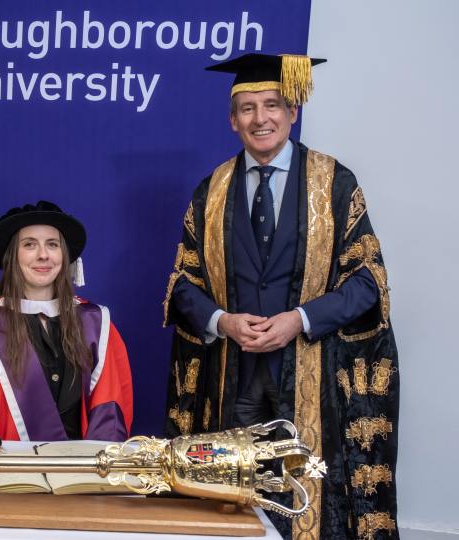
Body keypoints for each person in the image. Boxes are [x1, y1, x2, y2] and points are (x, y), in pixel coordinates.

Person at [162, 53, 399, 539]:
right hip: (233, 374)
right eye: (247, 108)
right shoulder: (211, 191)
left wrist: (302, 318)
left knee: (307, 490)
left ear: (293, 112)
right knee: (237, 494)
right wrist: (221, 320)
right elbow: (182, 285)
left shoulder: (335, 183)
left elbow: (368, 281)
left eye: (271, 105)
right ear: (232, 120)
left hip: (312, 374)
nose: (260, 118)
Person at [0, 201, 133, 453]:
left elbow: (109, 410)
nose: (43, 255)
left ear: (64, 255)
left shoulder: (94, 323)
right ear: (12, 256)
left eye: (52, 244)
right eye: (29, 245)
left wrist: (96, 469)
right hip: (10, 473)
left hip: (83, 475)